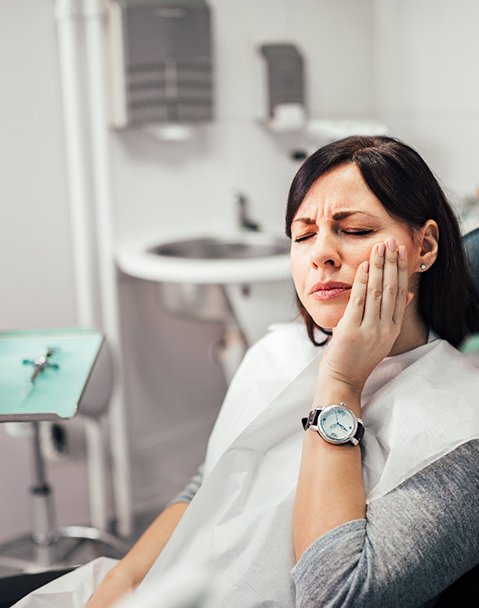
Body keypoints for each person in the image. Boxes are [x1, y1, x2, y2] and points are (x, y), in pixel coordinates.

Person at [15, 136, 479, 607]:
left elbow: (338, 597)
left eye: (355, 230)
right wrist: (116, 590)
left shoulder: (463, 429)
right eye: (303, 235)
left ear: (424, 245)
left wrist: (341, 383)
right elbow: (211, 484)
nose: (322, 253)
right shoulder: (277, 353)